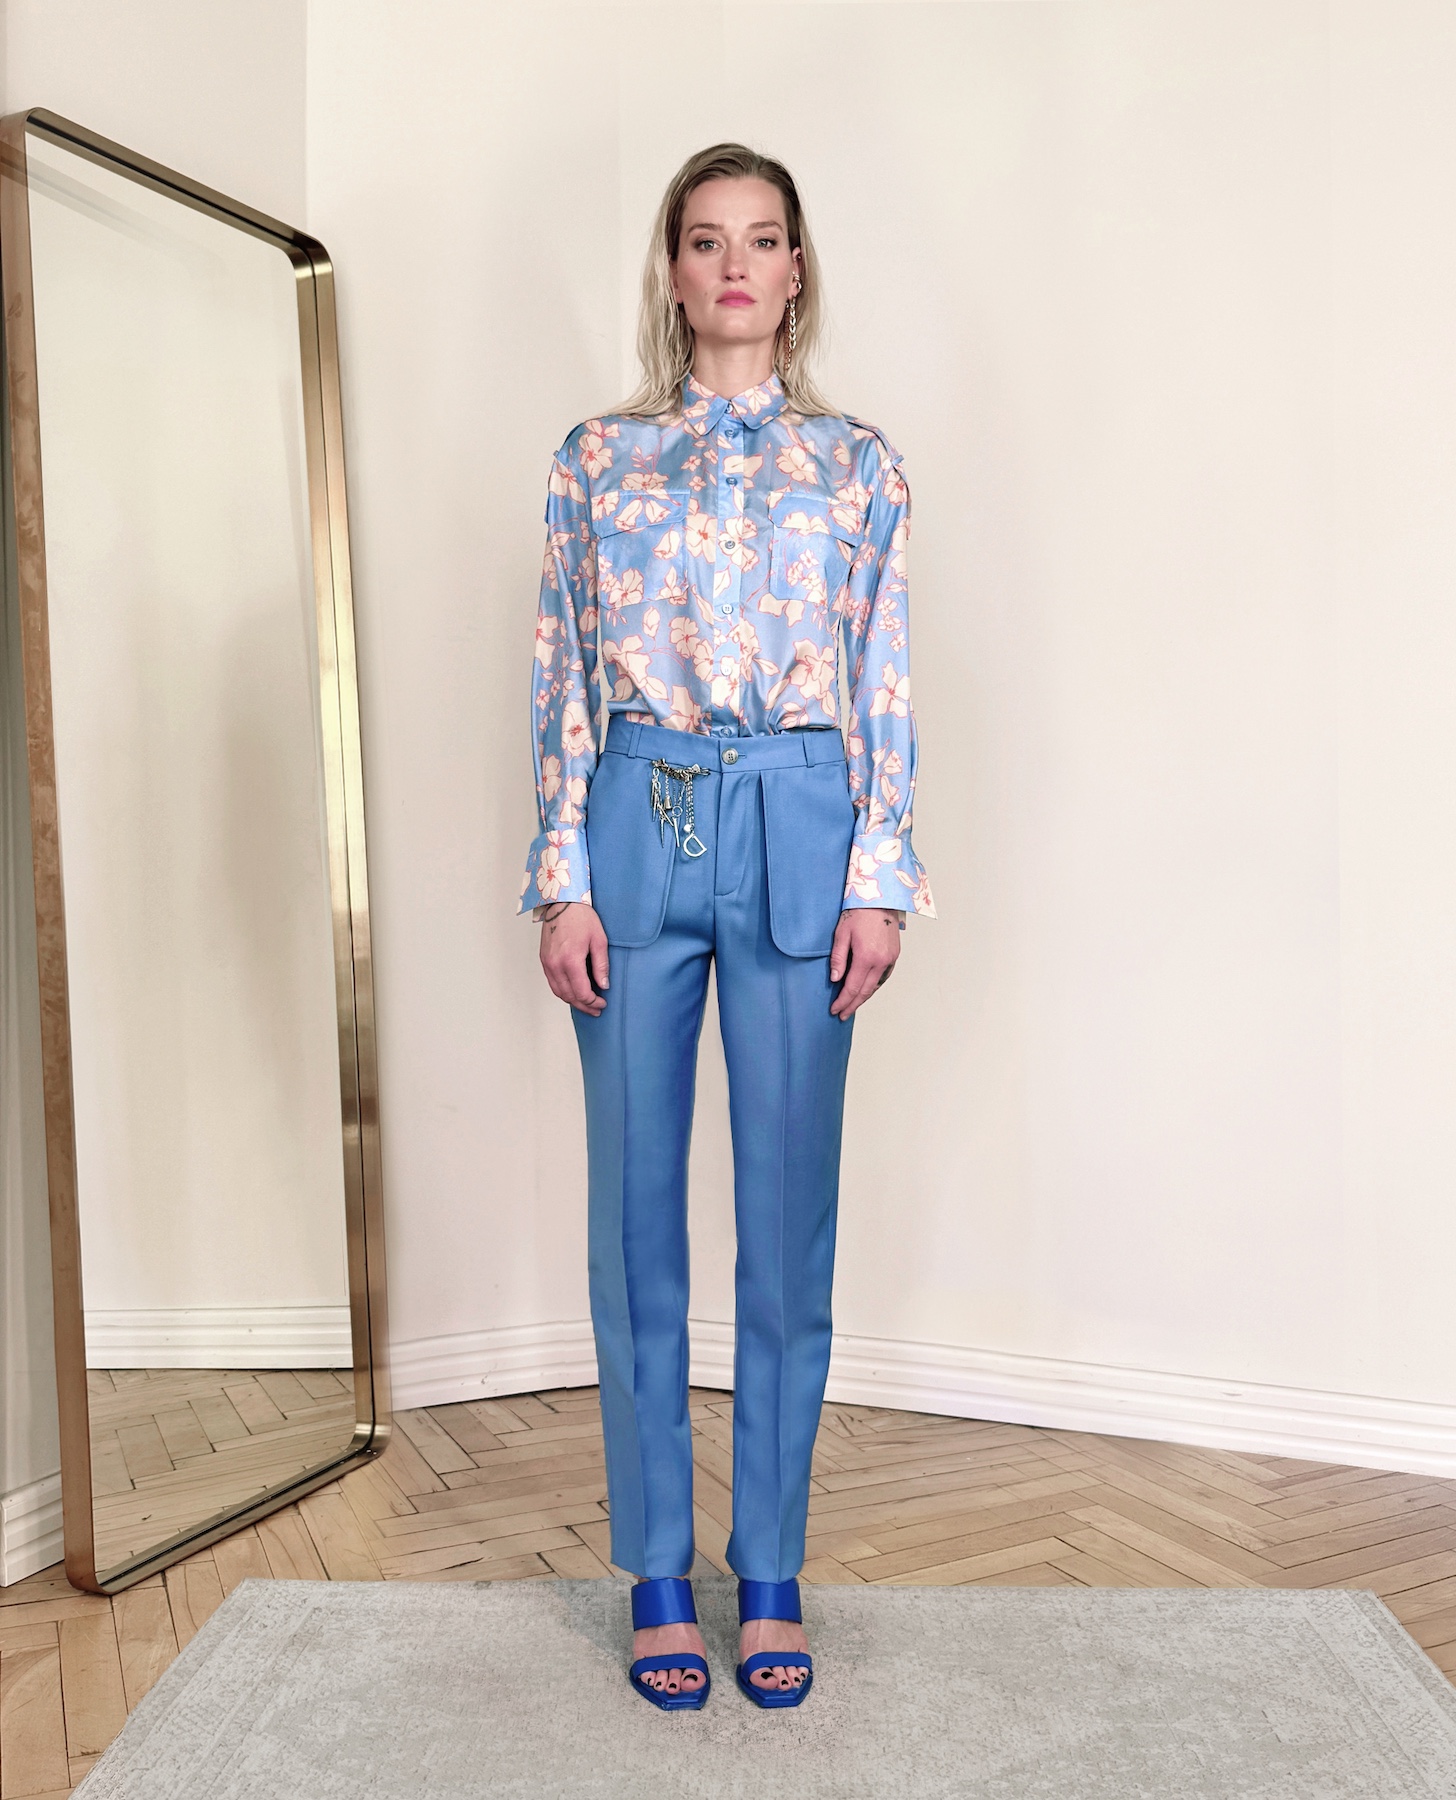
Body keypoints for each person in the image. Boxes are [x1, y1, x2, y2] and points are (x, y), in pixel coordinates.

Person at [521, 142, 934, 1711]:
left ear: (798, 270)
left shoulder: (859, 466)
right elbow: (562, 673)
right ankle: (652, 1571)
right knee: (634, 1226)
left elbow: (884, 672)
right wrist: (564, 871)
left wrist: (878, 873)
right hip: (643, 809)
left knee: (787, 1223)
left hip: (800, 819)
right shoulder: (596, 460)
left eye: (763, 240)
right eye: (707, 241)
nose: (736, 265)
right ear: (674, 270)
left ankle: (768, 1569)